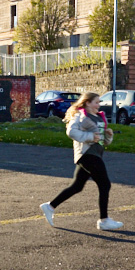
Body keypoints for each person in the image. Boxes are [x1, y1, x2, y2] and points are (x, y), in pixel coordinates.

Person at [39, 91, 123, 231]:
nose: (98, 105)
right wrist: (90, 136)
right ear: (87, 103)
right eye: (96, 102)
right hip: (87, 155)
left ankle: (50, 206)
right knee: (105, 184)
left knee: (77, 186)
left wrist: (108, 136)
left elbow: (101, 140)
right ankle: (104, 220)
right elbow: (71, 132)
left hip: (96, 154)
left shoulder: (99, 117)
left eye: (99, 102)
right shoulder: (80, 115)